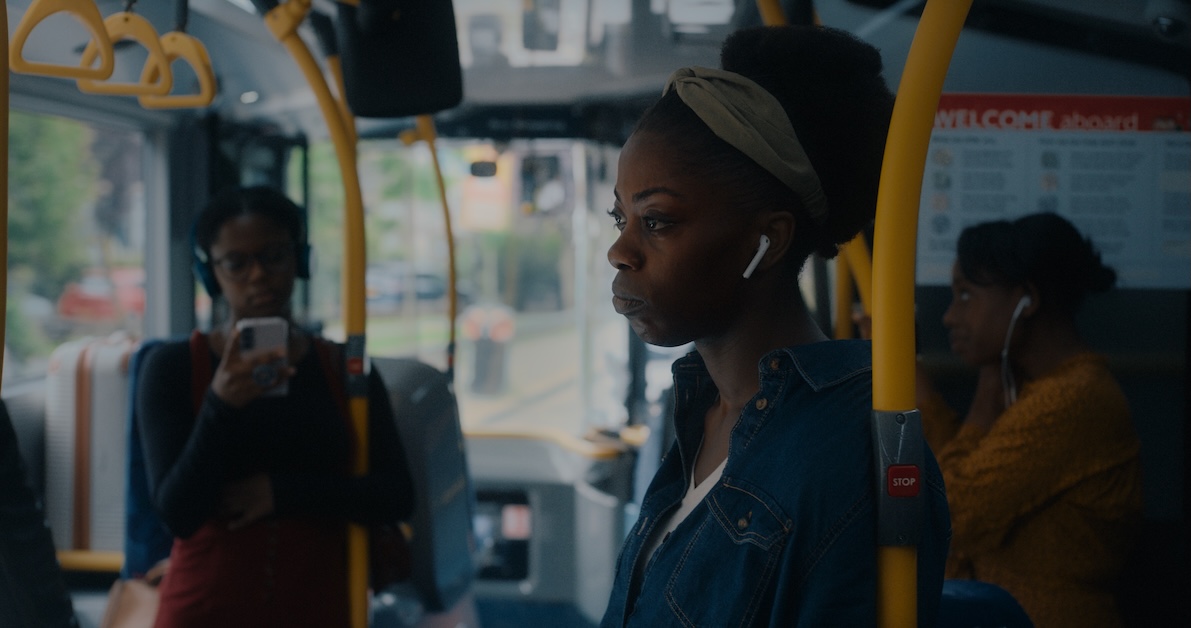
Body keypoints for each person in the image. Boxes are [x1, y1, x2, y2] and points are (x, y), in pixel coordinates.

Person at [601, 25, 950, 626]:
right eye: (620, 218)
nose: (619, 252)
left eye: (656, 222)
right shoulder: (705, 408)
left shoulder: (846, 456)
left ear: (768, 239)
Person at [136, 186, 415, 626]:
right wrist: (220, 405)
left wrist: (281, 494)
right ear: (211, 274)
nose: (258, 276)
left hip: (318, 605)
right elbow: (178, 513)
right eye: (236, 263)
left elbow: (397, 496)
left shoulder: (344, 368)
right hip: (206, 607)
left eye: (274, 256)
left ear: (299, 261)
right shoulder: (172, 368)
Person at [918, 212, 1143, 628]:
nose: (950, 316)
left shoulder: (1072, 399)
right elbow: (965, 474)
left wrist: (978, 407)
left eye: (966, 295)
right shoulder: (1028, 388)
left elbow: (951, 514)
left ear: (1027, 300)